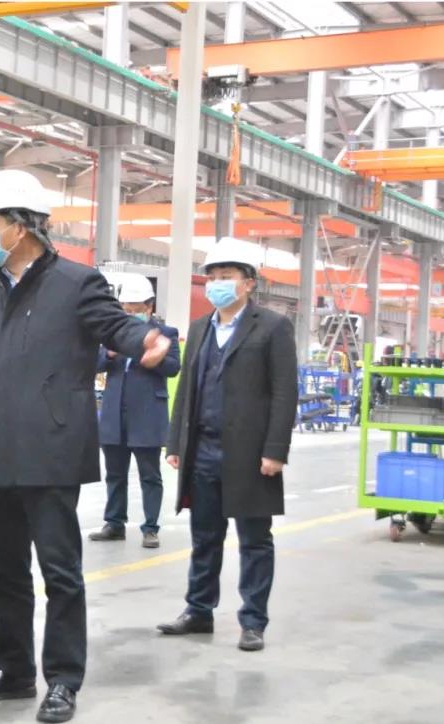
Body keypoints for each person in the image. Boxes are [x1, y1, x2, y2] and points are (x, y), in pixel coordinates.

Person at [0, 170, 173, 724]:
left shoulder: (77, 282)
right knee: (3, 571)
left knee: (60, 572)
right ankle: (14, 670)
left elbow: (115, 326)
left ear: (24, 226)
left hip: (50, 451)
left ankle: (63, 679)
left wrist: (144, 340)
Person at [157, 237, 298, 653]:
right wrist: (176, 441)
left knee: (254, 540)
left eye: (227, 276)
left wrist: (275, 450)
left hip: (251, 455)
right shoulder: (201, 327)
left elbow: (284, 392)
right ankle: (198, 610)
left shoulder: (272, 327)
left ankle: (253, 621)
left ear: (249, 283)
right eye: (213, 276)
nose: (217, 283)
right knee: (205, 537)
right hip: (202, 449)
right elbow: (187, 388)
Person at [89, 275, 180, 549]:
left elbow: (173, 367)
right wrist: (109, 354)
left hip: (147, 414)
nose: (130, 314)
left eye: (136, 309)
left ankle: (150, 528)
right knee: (114, 474)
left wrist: (151, 356)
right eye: (125, 309)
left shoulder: (166, 334)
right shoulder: (113, 334)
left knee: (149, 475)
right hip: (115, 414)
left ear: (149, 307)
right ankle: (114, 524)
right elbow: (95, 364)